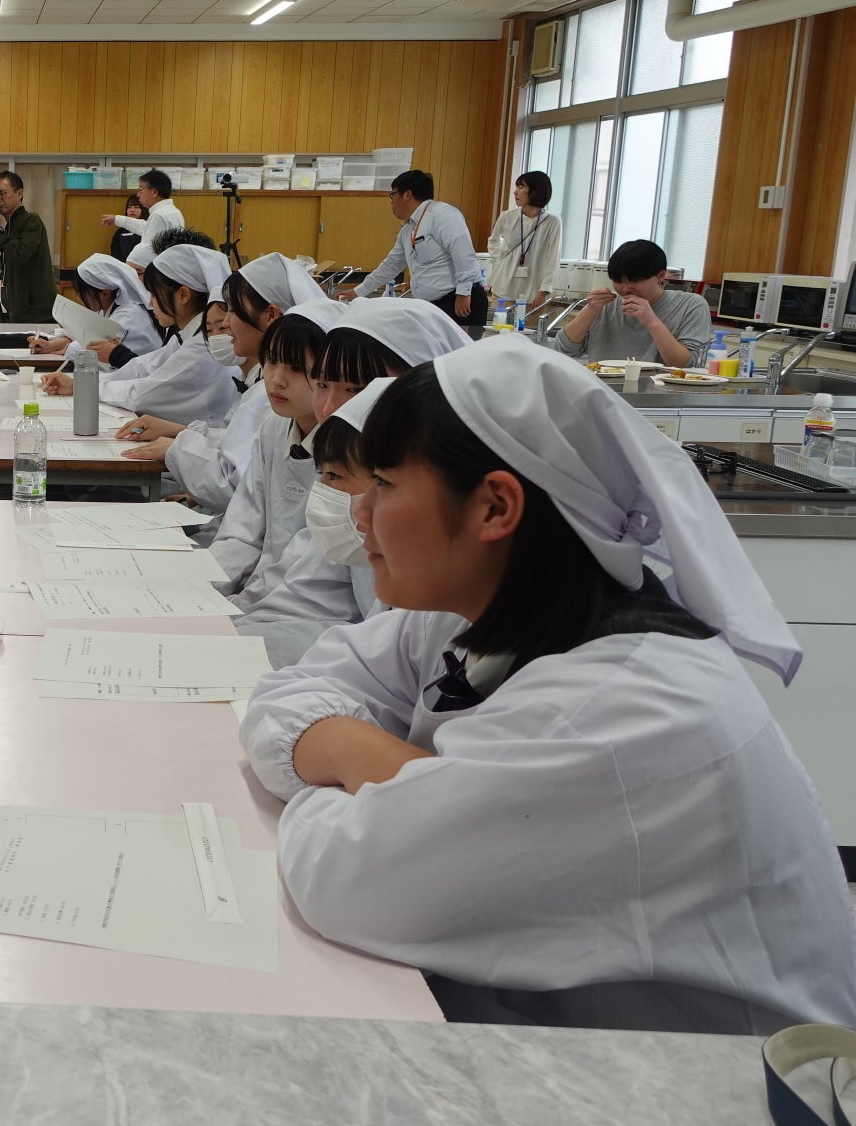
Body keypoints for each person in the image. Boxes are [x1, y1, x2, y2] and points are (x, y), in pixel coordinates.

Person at [240, 335, 856, 1035]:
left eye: (382, 484)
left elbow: (345, 878)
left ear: (495, 508)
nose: (357, 512)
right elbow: (287, 693)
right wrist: (373, 759)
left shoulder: (622, 710)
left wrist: (372, 783)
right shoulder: (470, 611)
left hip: (720, 1089)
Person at [231, 298, 469, 665]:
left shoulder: (450, 526)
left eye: (356, 390)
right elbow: (302, 595)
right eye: (322, 384)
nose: (329, 409)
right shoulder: (354, 490)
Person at [124, 253, 334, 516]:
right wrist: (180, 433)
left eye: (233, 310)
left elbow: (231, 483)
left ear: (270, 315)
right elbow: (235, 446)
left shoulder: (273, 397)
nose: (225, 324)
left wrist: (176, 447)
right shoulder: (261, 388)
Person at [209, 301, 345, 609]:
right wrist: (206, 590)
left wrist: (240, 605)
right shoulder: (274, 428)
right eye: (271, 361)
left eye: (297, 369)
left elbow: (309, 571)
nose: (277, 380)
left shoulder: (345, 452)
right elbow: (242, 531)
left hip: (310, 608)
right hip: (258, 595)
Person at [42, 238, 238, 427]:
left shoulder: (202, 346)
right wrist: (81, 382)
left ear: (183, 295)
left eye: (154, 295)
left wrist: (83, 387)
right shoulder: (187, 337)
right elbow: (142, 368)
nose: (151, 304)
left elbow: (144, 394)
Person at [341, 169, 487, 335]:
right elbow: (391, 265)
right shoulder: (408, 229)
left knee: (459, 358)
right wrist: (359, 291)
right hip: (432, 305)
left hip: (459, 302)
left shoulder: (443, 215)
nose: (391, 201)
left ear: (407, 195)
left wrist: (463, 293)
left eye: (393, 194)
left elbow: (463, 254)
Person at [550, 238, 709, 368]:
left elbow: (686, 364)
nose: (625, 289)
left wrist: (651, 321)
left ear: (661, 276)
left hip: (659, 399)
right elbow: (564, 350)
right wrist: (590, 311)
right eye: (618, 281)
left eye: (635, 280)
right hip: (603, 393)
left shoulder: (691, 305)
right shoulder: (606, 305)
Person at [26, 256, 159, 365]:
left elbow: (87, 350)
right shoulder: (109, 306)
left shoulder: (129, 315)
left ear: (105, 294)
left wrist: (66, 347)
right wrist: (50, 345)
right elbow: (80, 333)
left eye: (82, 293)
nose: (79, 297)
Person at [485, 171, 561, 316]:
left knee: (527, 333)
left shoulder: (552, 222)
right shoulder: (507, 216)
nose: (515, 192)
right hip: (503, 286)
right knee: (499, 330)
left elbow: (554, 258)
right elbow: (493, 241)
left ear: (534, 191)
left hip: (533, 291)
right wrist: (500, 259)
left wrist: (544, 290)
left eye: (520, 187)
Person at [0, 171, 55, 323]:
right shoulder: (9, 227)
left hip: (36, 313)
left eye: (3, 193)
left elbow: (19, 253)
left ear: (19, 193)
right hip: (18, 309)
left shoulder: (31, 220)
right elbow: (12, 266)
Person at [102, 170, 185, 269]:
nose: (138, 194)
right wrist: (117, 219)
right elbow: (145, 227)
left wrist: (128, 268)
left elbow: (147, 250)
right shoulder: (171, 211)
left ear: (154, 192)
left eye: (141, 189)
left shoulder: (159, 215)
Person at [109, 196, 148, 263]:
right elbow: (115, 254)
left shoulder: (148, 229)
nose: (132, 210)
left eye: (136, 207)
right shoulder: (120, 232)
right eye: (129, 207)